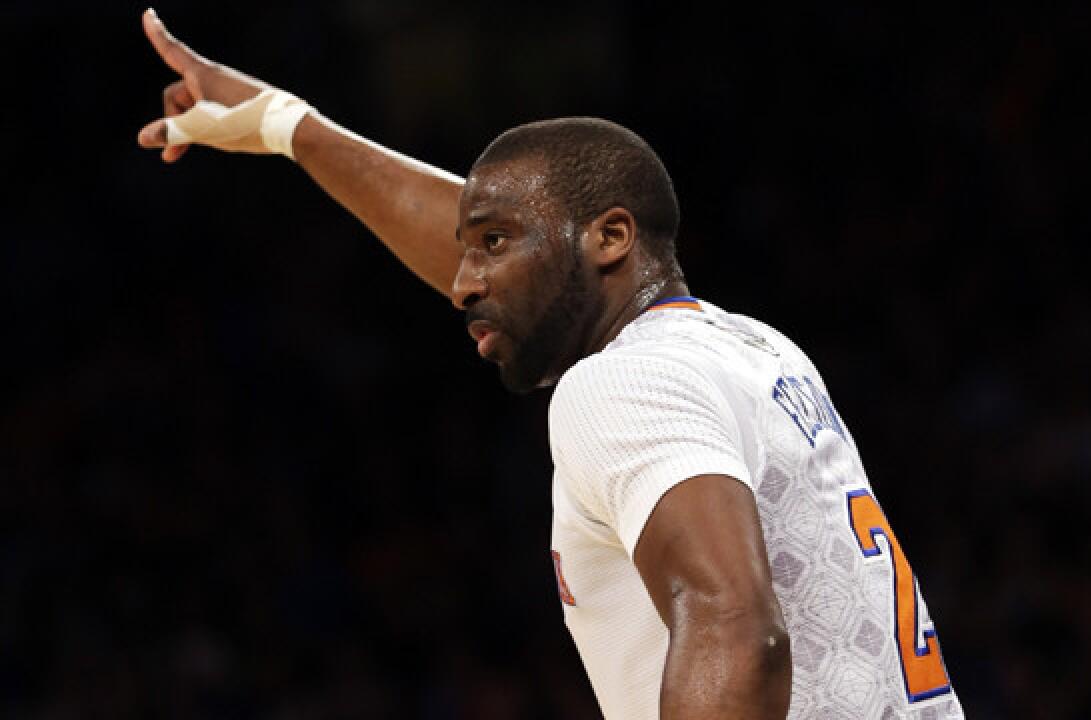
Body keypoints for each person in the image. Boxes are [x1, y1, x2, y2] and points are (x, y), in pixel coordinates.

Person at [136, 9, 966, 719]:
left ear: (611, 238)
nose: (464, 283)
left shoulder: (621, 383)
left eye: (492, 244)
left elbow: (735, 626)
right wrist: (289, 127)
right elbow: (526, 263)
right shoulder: (750, 347)